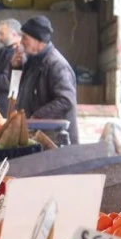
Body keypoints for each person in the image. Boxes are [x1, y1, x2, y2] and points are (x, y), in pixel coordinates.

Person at [12, 15, 79, 144]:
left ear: (40, 41)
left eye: (25, 38)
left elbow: (66, 100)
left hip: (56, 142)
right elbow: (19, 90)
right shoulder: (32, 61)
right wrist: (16, 68)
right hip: (38, 137)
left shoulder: (57, 65)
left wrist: (36, 117)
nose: (21, 42)